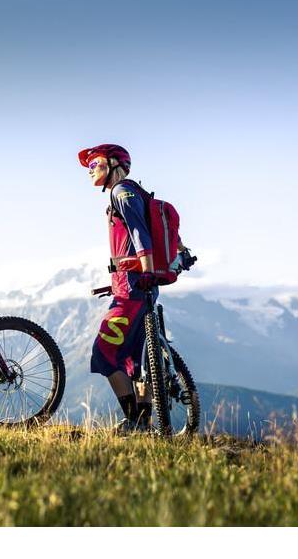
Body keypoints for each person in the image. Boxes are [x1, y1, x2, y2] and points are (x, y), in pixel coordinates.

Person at [78, 143, 187, 433]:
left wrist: (147, 269)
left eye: (94, 164)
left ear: (113, 163)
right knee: (137, 359)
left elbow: (139, 232)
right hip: (143, 286)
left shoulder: (121, 191)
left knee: (104, 351)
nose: (90, 171)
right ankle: (144, 421)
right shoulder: (137, 192)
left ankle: (134, 421)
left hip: (132, 286)